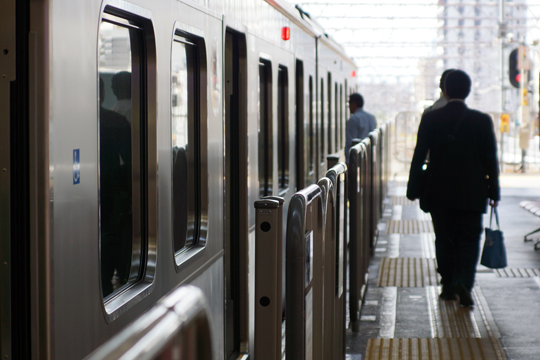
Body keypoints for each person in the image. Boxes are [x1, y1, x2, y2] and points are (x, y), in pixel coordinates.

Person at [406, 70, 500, 307]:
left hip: (439, 192)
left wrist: (413, 188)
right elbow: (491, 160)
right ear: (468, 91)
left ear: (445, 91)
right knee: (469, 240)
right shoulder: (482, 120)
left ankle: (448, 285)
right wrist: (494, 192)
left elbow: (419, 156)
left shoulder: (431, 118)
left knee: (444, 238)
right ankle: (464, 283)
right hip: (473, 192)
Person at [344, 93, 377, 163]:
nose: (349, 107)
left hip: (358, 160)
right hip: (371, 158)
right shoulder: (372, 117)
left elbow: (350, 142)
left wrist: (348, 161)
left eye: (349, 104)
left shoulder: (353, 119)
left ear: (354, 103)